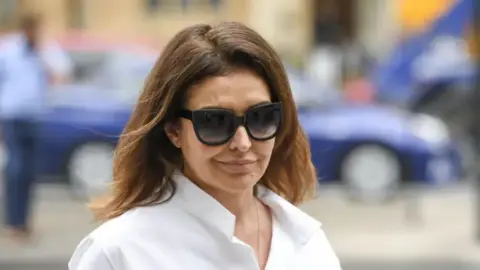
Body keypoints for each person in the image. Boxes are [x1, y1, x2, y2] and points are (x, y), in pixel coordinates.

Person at [69, 22, 341, 270]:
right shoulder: (121, 253)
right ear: (174, 130)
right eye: (214, 121)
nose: (243, 143)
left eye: (261, 118)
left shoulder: (306, 242)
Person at [0, 13, 72, 242]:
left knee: (29, 172)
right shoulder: (9, 50)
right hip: (12, 115)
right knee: (16, 168)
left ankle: (23, 222)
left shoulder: (46, 50)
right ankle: (13, 221)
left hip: (35, 116)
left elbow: (62, 73)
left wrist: (42, 54)